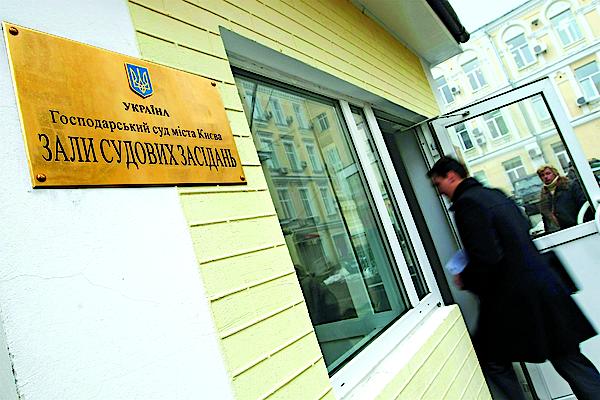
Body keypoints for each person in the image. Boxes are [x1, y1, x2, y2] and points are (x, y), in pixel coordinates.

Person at [427, 156, 600, 400]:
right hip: (542, 288)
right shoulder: (495, 195)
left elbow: (487, 256)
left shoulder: (468, 204)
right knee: (567, 357)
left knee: (491, 356)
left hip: (517, 297)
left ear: (452, 177)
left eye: (439, 184)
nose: (440, 192)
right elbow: (520, 229)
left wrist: (466, 278)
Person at [537, 164, 587, 233]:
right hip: (561, 232)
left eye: (548, 173)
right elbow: (546, 219)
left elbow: (583, 205)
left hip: (579, 226)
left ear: (555, 173)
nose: (545, 177)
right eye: (542, 175)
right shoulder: (543, 196)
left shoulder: (570, 186)